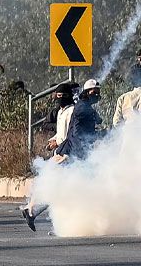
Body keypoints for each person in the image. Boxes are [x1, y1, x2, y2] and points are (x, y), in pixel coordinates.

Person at [22, 80, 102, 231]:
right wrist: (56, 143)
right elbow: (70, 134)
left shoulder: (75, 109)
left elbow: (74, 132)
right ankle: (33, 211)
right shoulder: (71, 110)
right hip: (70, 153)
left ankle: (34, 212)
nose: (96, 95)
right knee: (58, 187)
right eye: (93, 92)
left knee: (61, 189)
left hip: (70, 152)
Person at [45, 82, 78, 153]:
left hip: (68, 152)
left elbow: (70, 134)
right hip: (59, 150)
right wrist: (53, 140)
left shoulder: (72, 110)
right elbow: (61, 132)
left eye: (64, 95)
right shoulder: (60, 111)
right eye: (59, 95)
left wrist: (57, 143)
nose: (61, 98)